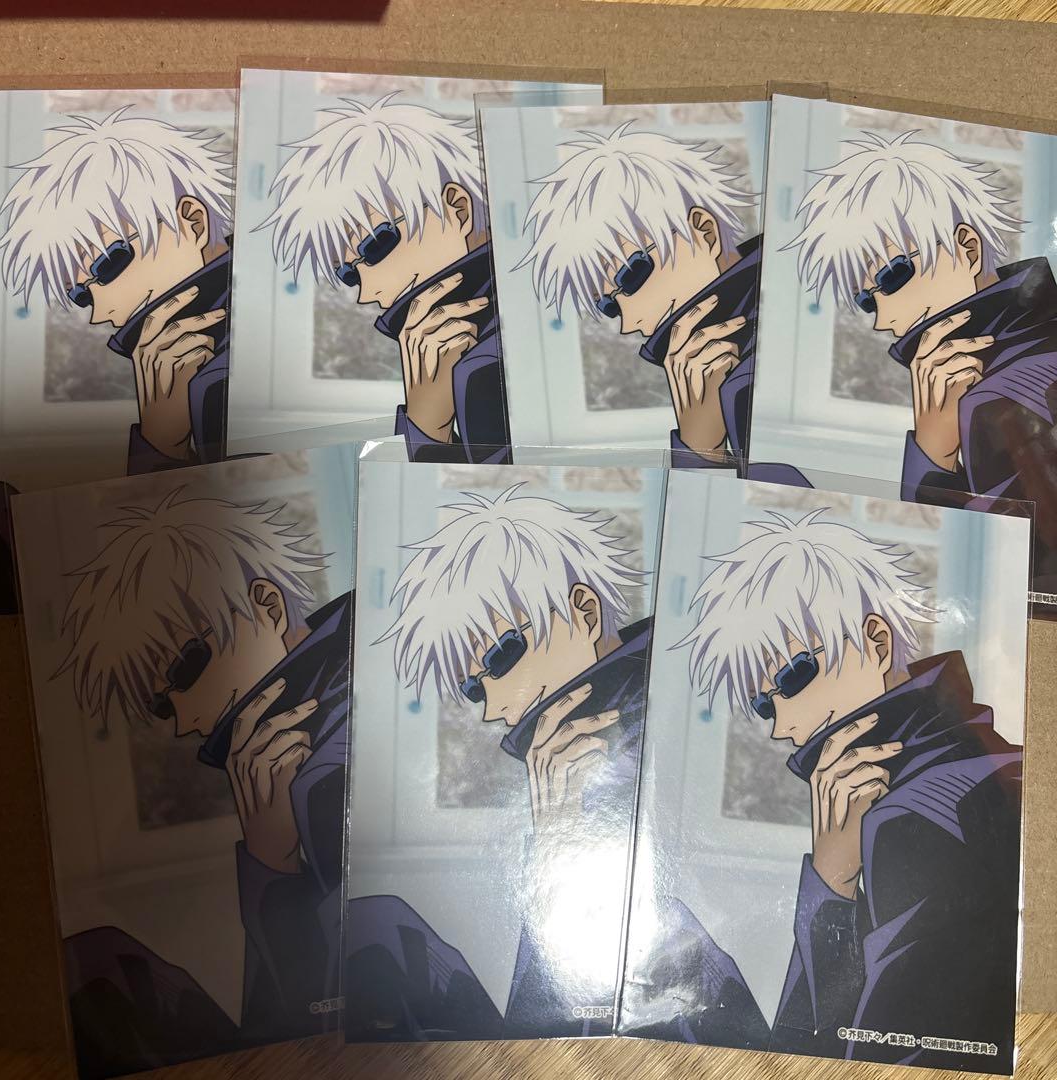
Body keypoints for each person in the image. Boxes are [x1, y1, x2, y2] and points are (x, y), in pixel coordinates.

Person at [679, 509, 1022, 1073]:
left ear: (876, 642)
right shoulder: (980, 756)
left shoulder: (910, 815)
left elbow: (832, 1058)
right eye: (764, 704)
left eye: (792, 677)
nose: (781, 726)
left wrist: (830, 886)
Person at [56, 489, 351, 1072]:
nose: (185, 720)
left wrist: (271, 863)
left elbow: (317, 1019)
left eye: (186, 668)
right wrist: (269, 857)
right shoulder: (279, 759)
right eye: (162, 705)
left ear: (267, 607)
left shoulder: (326, 760)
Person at [348, 484, 651, 1040]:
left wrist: (558, 843)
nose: (491, 709)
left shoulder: (644, 724)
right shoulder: (563, 753)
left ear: (584, 613)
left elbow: (562, 1018)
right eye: (473, 687)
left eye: (501, 655)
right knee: (377, 926)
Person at [787, 130, 1057, 590]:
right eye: (867, 301)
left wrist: (932, 456)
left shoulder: (993, 398)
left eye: (893, 276)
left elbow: (1009, 582)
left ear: (967, 248)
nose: (882, 319)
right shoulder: (999, 367)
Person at [258, 94, 510, 463]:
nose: (366, 293)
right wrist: (427, 425)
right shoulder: (459, 358)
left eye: (376, 245)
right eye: (349, 274)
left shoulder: (487, 366)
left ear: (458, 209)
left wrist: (427, 430)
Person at [0, 108, 234, 474]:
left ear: (193, 222)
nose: (99, 314)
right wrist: (163, 441)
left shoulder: (221, 377)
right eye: (81, 296)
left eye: (108, 264)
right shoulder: (187, 371)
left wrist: (160, 446)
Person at [518, 122, 760, 467]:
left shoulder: (755, 366)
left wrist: (701, 450)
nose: (628, 324)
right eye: (610, 306)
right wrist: (701, 444)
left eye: (631, 275)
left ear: (704, 232)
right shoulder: (713, 374)